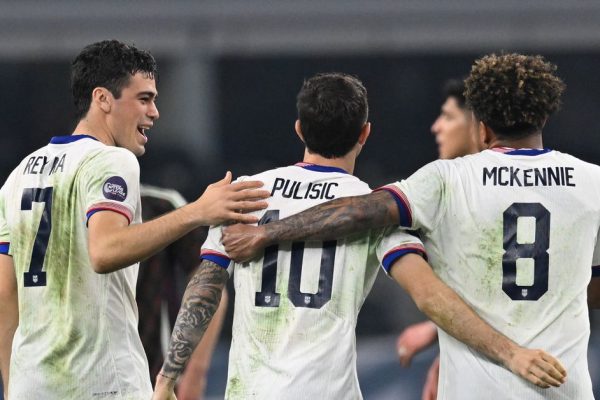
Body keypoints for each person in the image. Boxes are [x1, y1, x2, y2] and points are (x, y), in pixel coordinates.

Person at [153, 72, 566, 400]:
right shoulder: (372, 208)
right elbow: (428, 296)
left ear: (299, 130)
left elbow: (203, 290)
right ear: (365, 133)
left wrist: (168, 376)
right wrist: (511, 353)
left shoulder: (246, 193)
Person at [0, 39, 268, 399]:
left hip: (32, 386)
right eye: (144, 99)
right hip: (101, 382)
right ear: (103, 99)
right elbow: (105, 251)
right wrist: (197, 211)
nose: (154, 112)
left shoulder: (20, 175)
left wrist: (12, 386)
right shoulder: (112, 160)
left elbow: (5, 293)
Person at [396, 79, 485, 400]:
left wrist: (434, 329)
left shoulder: (477, 193)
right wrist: (448, 354)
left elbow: (503, 292)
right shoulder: (467, 187)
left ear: (478, 125)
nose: (436, 127)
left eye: (448, 116)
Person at [137, 184, 228, 400]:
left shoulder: (160, 205)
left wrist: (195, 373)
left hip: (153, 382)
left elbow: (211, 284)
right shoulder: (64, 204)